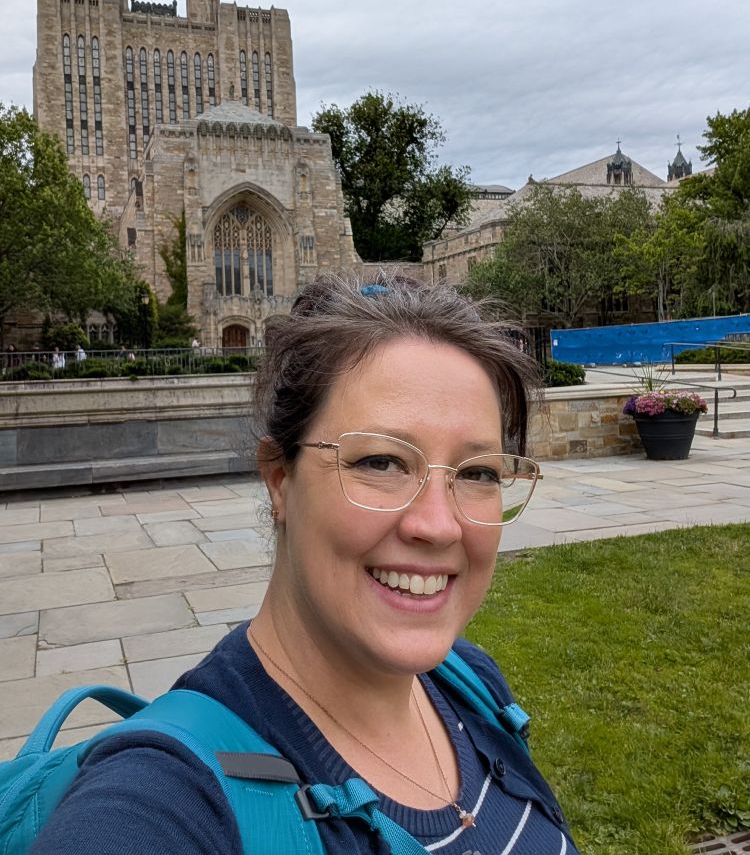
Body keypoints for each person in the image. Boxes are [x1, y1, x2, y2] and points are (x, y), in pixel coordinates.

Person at [29, 272, 580, 855]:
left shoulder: (469, 682)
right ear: (280, 479)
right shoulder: (166, 798)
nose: (438, 525)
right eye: (380, 462)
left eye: (477, 473)